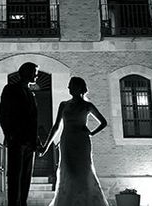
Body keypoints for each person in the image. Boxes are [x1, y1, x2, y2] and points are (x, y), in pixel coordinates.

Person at [39, 76, 109, 206]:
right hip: (67, 141)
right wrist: (46, 146)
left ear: (79, 88)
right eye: (69, 85)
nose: (69, 88)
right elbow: (56, 127)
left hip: (82, 142)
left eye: (71, 85)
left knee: (83, 171)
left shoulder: (87, 106)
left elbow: (103, 122)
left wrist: (91, 133)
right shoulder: (64, 105)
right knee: (68, 171)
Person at [0, 62, 44, 206]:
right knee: (15, 177)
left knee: (26, 178)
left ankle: (22, 203)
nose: (37, 75)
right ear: (26, 72)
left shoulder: (31, 93)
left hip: (30, 143)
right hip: (17, 140)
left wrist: (36, 140)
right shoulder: (11, 89)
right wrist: (9, 134)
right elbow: (3, 114)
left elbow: (32, 120)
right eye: (35, 72)